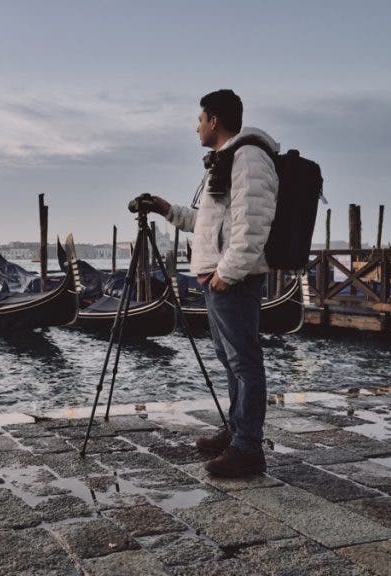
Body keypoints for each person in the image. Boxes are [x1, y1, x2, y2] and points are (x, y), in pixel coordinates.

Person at [129, 89, 278, 477]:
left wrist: (227, 275)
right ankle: (236, 431)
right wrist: (165, 209)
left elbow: (253, 224)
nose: (196, 126)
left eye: (200, 119)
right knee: (232, 362)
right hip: (218, 279)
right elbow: (207, 223)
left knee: (245, 363)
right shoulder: (225, 161)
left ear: (214, 120)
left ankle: (248, 449)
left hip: (232, 280)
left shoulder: (248, 158)